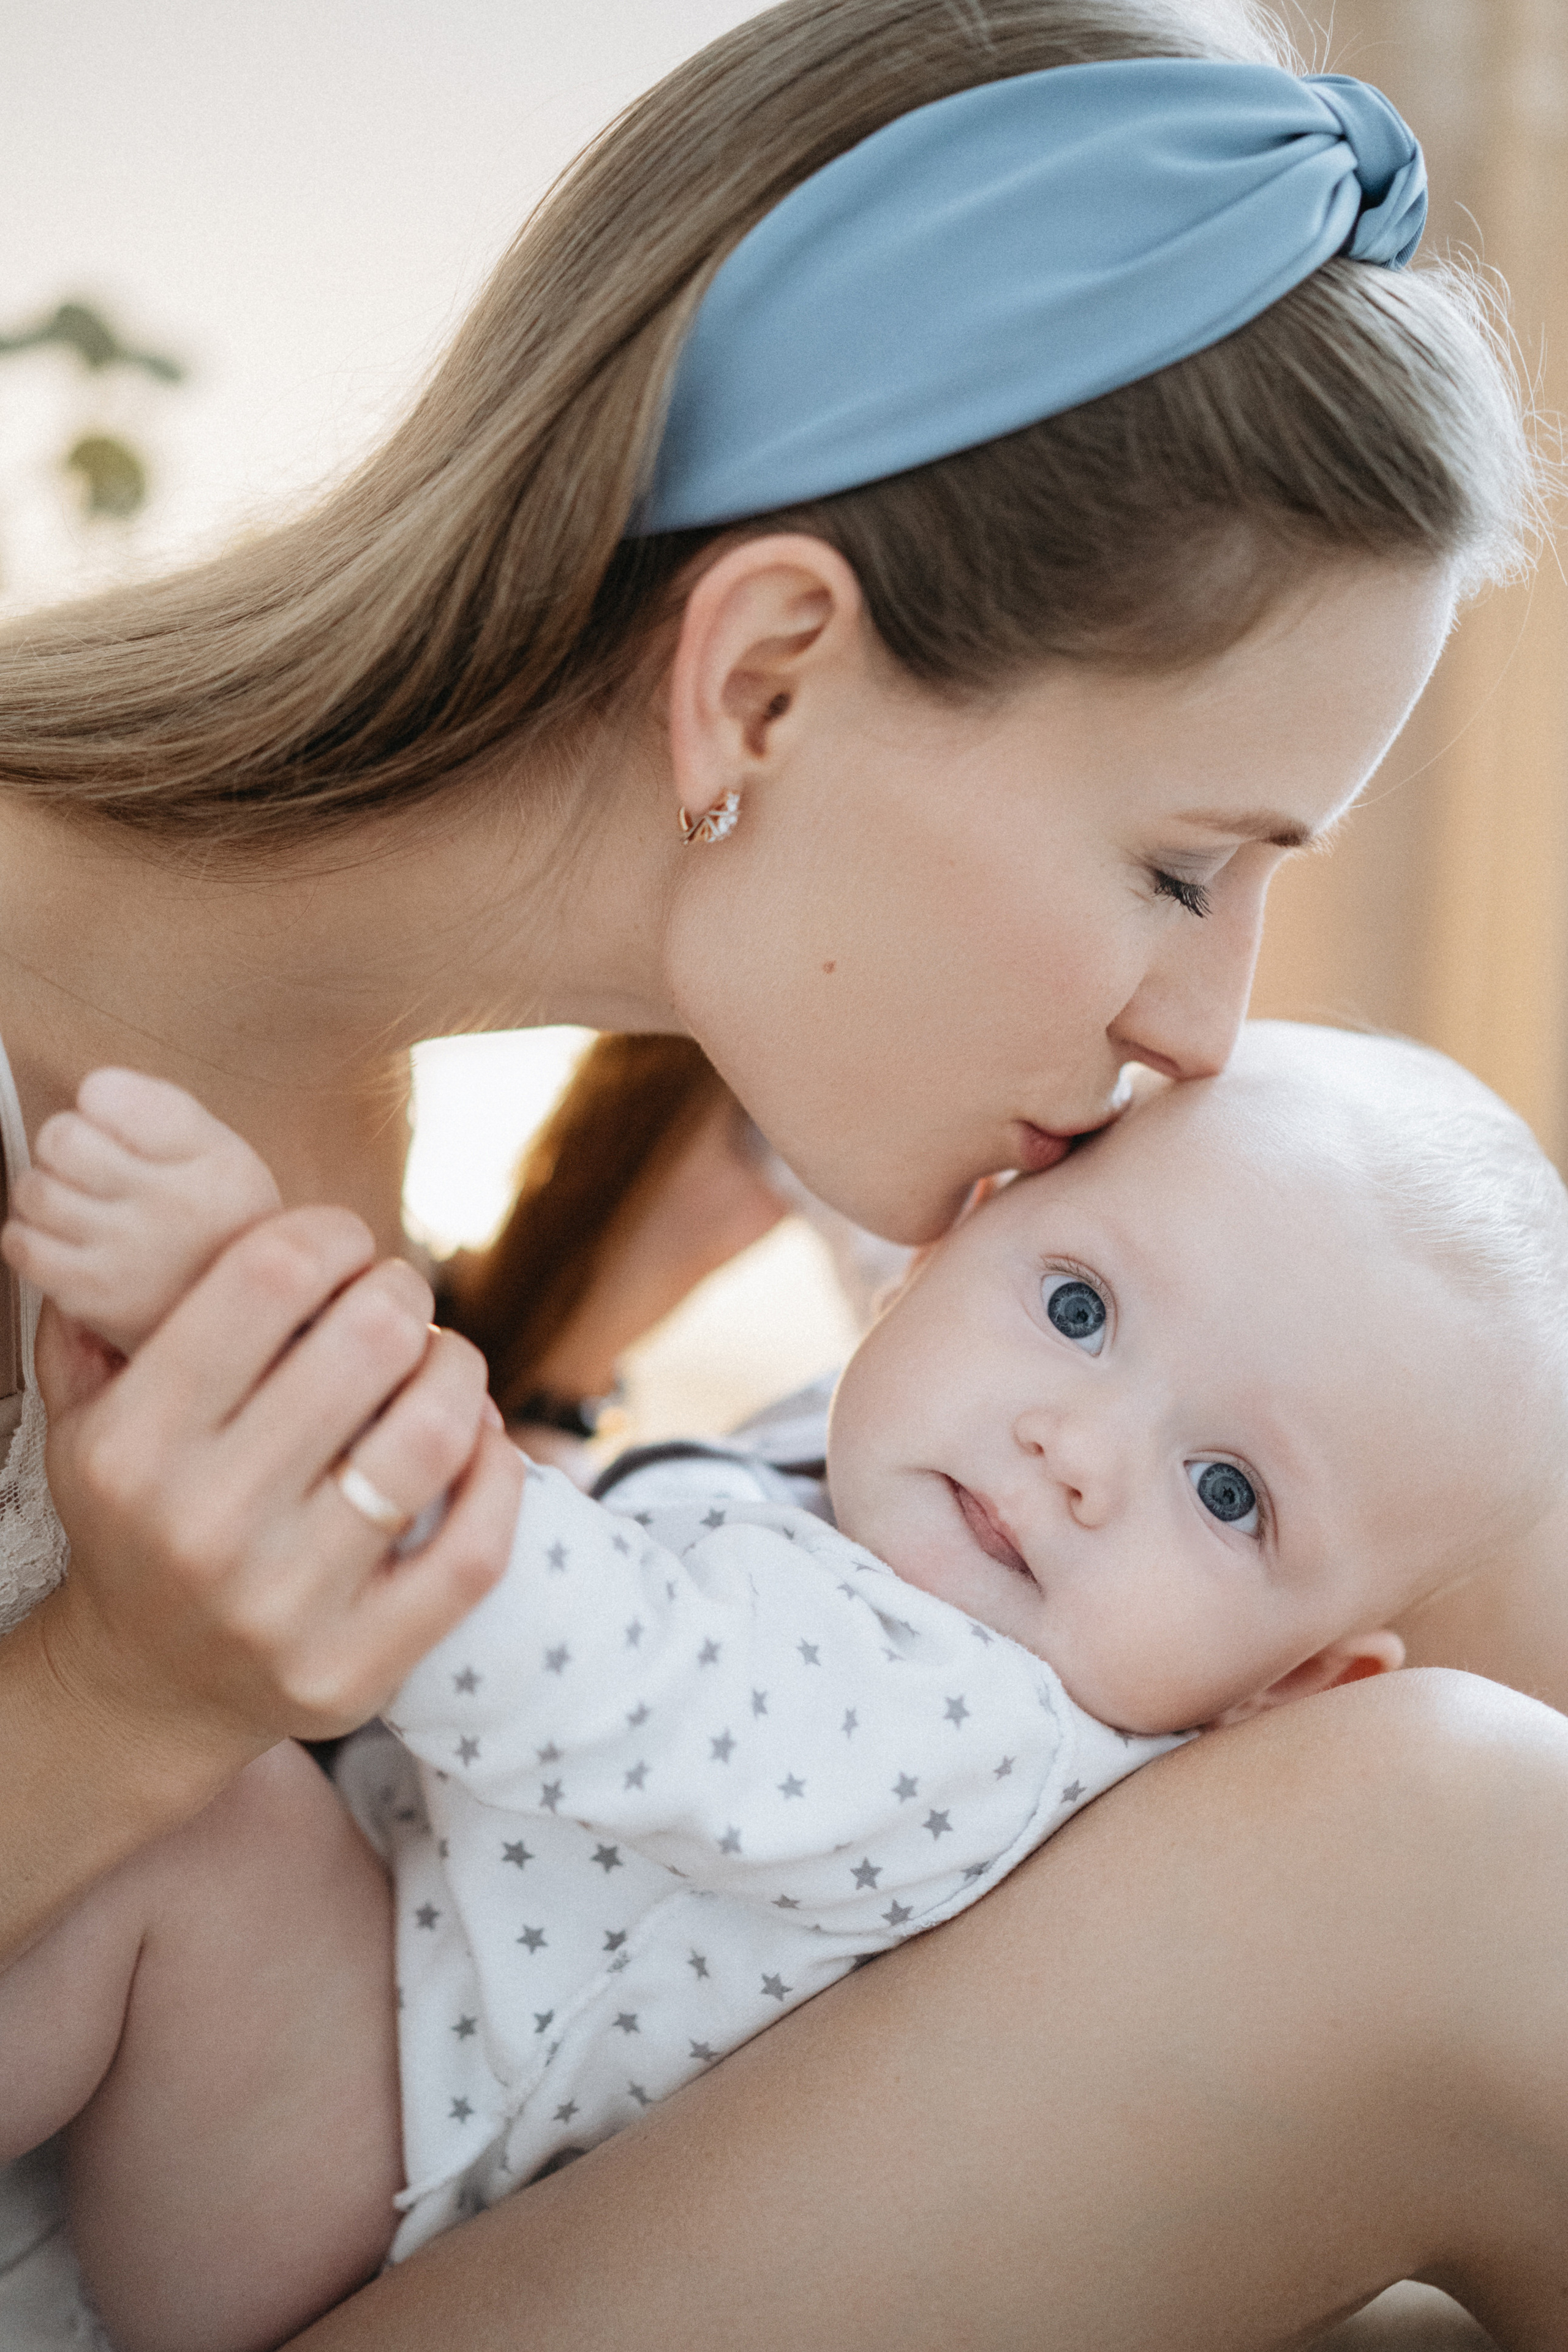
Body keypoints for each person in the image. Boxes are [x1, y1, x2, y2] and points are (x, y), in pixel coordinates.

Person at [0, 2, 1563, 2345]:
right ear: (761, 686)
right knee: (1468, 1853)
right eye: (1179, 866)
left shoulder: (409, 1094)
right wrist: (129, 1693)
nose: (1207, 1027)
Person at [2, 1017, 1561, 2352]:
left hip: (372, 2171)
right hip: (390, 2024)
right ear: (951, 1239)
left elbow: (588, 1654)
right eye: (1078, 1310)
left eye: (1225, 1492)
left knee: (207, 1825)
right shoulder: (916, 1501)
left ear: (1290, 1690)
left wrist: (249, 1323)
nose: (1074, 1452)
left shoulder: (969, 1724)